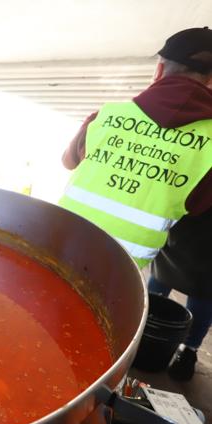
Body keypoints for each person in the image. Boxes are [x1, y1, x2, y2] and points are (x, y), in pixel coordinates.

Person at [59, 27, 212, 268]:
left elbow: (68, 162)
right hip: (123, 273)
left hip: (60, 242)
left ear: (159, 70)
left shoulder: (108, 114)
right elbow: (198, 213)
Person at [148, 208, 212, 381]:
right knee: (164, 275)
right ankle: (144, 331)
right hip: (186, 219)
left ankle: (188, 349)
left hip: (190, 212)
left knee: (205, 290)